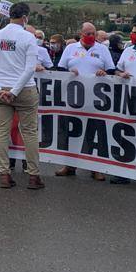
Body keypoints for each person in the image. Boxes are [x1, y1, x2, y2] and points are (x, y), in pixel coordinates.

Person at [0, 3, 43, 189]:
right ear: (25, 17)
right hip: (24, 89)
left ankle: (4, 174)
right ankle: (33, 176)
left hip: (2, 88)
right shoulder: (28, 37)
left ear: (10, 15)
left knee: (1, 132)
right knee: (29, 133)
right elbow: (30, 68)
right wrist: (15, 91)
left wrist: (0, 89)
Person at [55, 22, 114, 179]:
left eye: (93, 33)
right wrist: (69, 71)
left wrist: (104, 72)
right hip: (73, 99)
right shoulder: (70, 48)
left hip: (96, 100)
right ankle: (69, 165)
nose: (91, 37)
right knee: (72, 132)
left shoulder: (102, 49)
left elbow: (111, 70)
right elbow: (60, 69)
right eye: (87, 33)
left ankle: (96, 168)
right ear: (80, 34)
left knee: (95, 133)